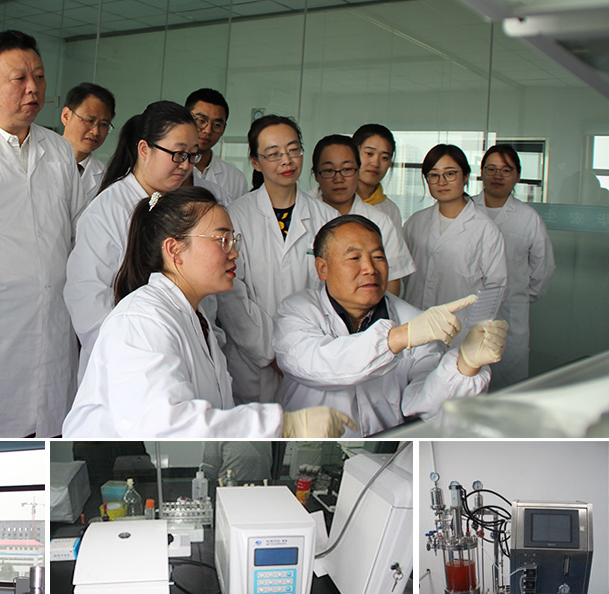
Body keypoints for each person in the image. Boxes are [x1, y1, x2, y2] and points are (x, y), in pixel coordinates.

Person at [63, 187, 355, 438]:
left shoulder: (194, 316)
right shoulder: (141, 321)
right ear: (174, 250)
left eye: (233, 240)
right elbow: (163, 424)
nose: (234, 253)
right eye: (221, 240)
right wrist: (287, 425)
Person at [0, 30, 86, 438]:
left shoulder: (59, 150)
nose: (33, 88)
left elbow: (77, 231)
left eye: (40, 77)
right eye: (19, 79)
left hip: (53, 319)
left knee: (50, 426)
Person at [273, 215, 508, 437]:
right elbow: (318, 364)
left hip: (383, 443)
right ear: (322, 268)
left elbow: (425, 404)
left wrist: (465, 365)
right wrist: (399, 338)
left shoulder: (411, 319)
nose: (370, 268)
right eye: (354, 258)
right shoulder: (297, 311)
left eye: (378, 257)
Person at [64, 100, 211, 380]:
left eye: (192, 155)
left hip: (178, 351)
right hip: (128, 363)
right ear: (144, 149)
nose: (186, 166)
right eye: (178, 154)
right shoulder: (108, 209)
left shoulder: (178, 206)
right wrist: (131, 357)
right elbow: (87, 298)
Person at [217, 114, 337, 405]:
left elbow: (332, 291)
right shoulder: (235, 215)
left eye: (293, 149)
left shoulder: (327, 218)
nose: (287, 160)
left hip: (311, 351)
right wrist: (270, 352)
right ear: (256, 162)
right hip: (251, 361)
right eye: (273, 153)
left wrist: (300, 348)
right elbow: (230, 292)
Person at [474, 144, 556, 390]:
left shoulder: (528, 217)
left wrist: (519, 297)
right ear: (481, 173)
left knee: (507, 384)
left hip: (511, 312)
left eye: (506, 170)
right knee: (464, 379)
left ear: (518, 176)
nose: (497, 176)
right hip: (468, 307)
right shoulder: (465, 209)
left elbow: (544, 268)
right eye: (491, 169)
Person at [403, 143, 508, 310]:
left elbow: (495, 288)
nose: (441, 182)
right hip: (415, 317)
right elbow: (402, 272)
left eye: (450, 174)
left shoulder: (485, 229)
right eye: (434, 175)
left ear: (466, 176)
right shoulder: (415, 223)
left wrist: (477, 324)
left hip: (461, 323)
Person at [310, 134, 415, 296]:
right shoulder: (301, 214)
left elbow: (391, 284)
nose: (339, 179)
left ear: (358, 171)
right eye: (329, 170)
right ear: (316, 175)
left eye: (347, 169)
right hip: (307, 309)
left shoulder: (380, 221)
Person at [184, 88, 247, 201]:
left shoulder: (236, 178)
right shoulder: (170, 169)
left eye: (217, 125)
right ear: (184, 119)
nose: (208, 130)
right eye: (201, 121)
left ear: (223, 129)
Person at [60, 82, 116, 205]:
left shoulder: (107, 180)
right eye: (89, 120)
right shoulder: (35, 157)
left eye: (103, 124)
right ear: (66, 116)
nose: (95, 132)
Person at [353, 123, 403, 231]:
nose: (375, 163)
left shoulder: (391, 210)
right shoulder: (331, 200)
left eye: (384, 158)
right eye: (369, 154)